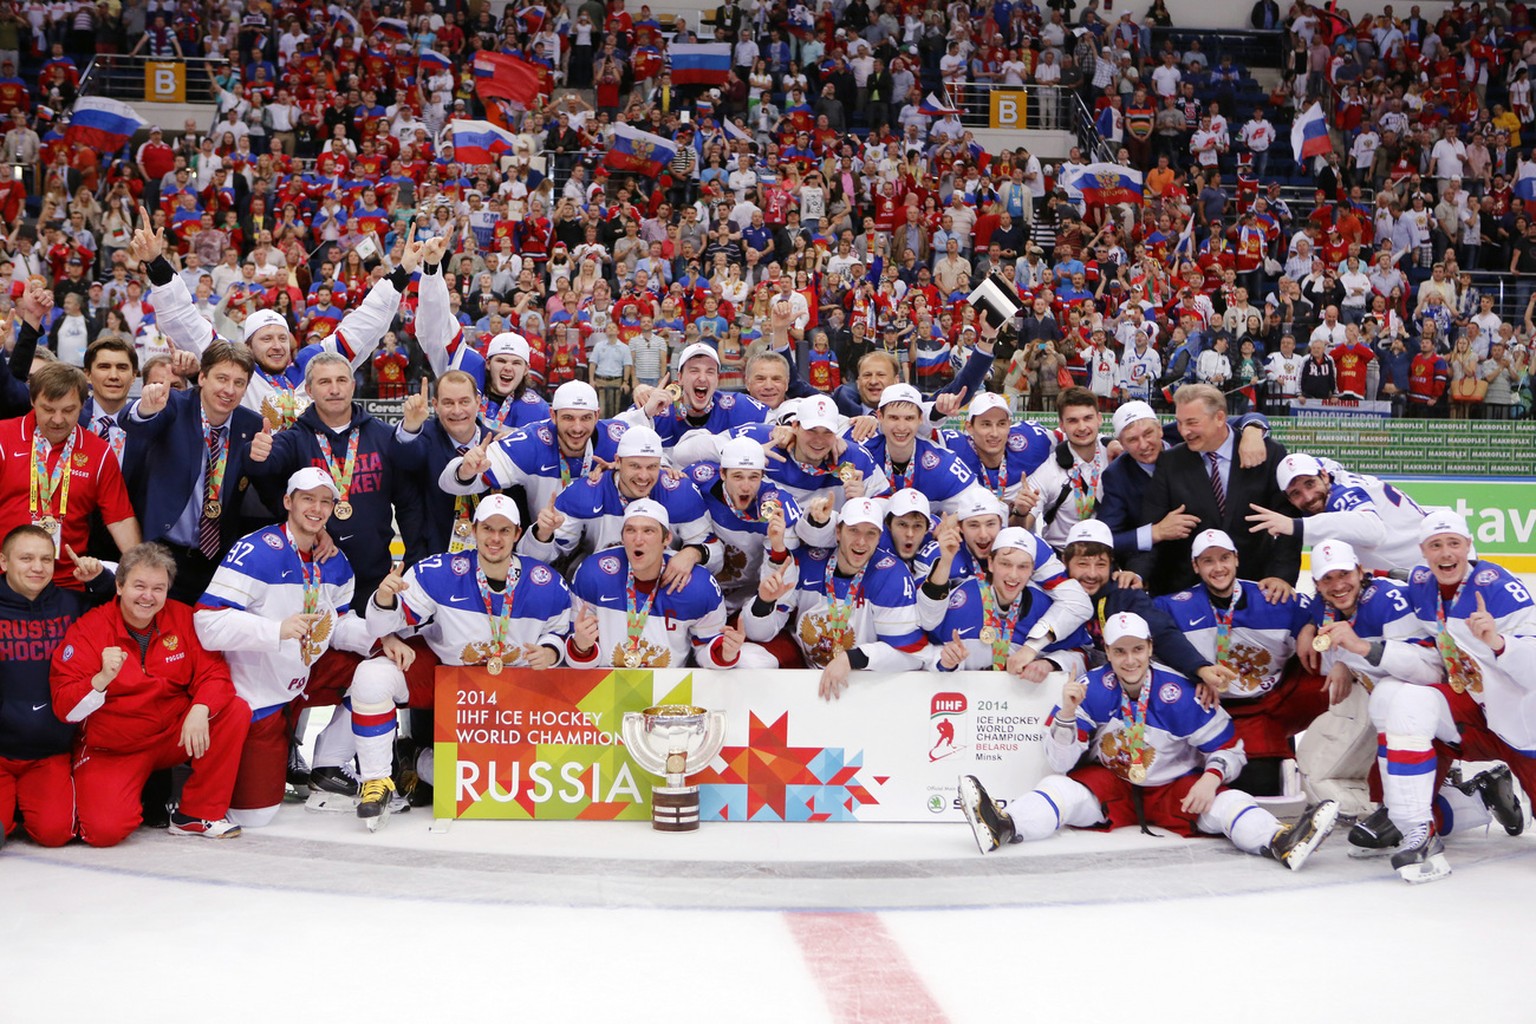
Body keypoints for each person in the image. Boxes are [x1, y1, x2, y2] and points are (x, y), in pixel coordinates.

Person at [957, 612, 1339, 871]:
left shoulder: (1179, 692)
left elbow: (1230, 749)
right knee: (1058, 788)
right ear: (1106, 652)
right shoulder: (1091, 688)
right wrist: (1069, 714)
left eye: (1137, 650)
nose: (1129, 660)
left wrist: (1211, 779)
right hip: (1116, 787)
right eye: (1119, 651)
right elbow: (1060, 763)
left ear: (1150, 648)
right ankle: (1003, 826)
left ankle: (1280, 841)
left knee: (1227, 803)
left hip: (1174, 790)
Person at [359, 494, 574, 819]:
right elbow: (382, 621)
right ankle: (376, 780)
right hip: (450, 681)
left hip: (511, 696)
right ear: (474, 530)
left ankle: (413, 757)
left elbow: (563, 630)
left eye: (504, 530)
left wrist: (549, 650)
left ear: (517, 534)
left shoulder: (545, 583)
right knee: (370, 677)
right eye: (488, 528)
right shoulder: (441, 571)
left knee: (501, 783)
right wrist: (385, 599)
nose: (495, 538)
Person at [193, 468, 374, 828]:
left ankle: (328, 762)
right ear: (288, 502)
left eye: (325, 501)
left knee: (379, 669)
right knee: (256, 816)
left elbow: (337, 624)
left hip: (303, 677)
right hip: (259, 694)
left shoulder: (334, 561)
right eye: (308, 499)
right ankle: (254, 754)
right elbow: (207, 624)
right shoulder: (258, 550)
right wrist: (277, 630)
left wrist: (382, 636)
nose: (317, 508)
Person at [1366, 512, 1536, 882]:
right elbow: (1374, 579)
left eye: (1454, 544)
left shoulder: (1500, 591)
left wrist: (1497, 642)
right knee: (1397, 698)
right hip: (1473, 711)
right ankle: (1414, 824)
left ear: (1468, 546)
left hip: (1525, 725)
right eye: (1436, 545)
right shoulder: (1423, 582)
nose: (1446, 554)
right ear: (1423, 552)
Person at [127, 213, 418, 430]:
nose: (277, 345)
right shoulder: (236, 371)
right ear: (248, 345)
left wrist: (402, 272)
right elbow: (184, 319)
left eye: (281, 337)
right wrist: (156, 264)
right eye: (266, 339)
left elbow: (365, 324)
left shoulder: (312, 367)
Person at [52, 543, 249, 845]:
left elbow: (215, 674)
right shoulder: (89, 630)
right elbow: (65, 707)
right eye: (139, 586)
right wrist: (100, 679)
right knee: (104, 832)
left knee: (233, 709)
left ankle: (196, 814)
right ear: (118, 586)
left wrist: (201, 709)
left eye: (158, 588)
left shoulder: (183, 618)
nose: (148, 596)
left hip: (173, 733)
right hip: (115, 747)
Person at [1155, 529, 1324, 795]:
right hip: (1211, 708)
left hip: (1265, 704)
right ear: (1195, 566)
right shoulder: (1175, 606)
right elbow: (1146, 631)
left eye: (1224, 558)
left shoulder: (1272, 598)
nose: (1218, 567)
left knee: (1332, 660)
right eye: (1208, 561)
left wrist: (1310, 625)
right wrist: (1191, 678)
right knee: (1241, 784)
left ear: (1237, 559)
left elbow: (1326, 600)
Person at [245, 351, 409, 602]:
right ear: (309, 391)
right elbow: (266, 475)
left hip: (374, 577)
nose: (334, 389)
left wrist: (414, 559)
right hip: (313, 575)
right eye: (324, 382)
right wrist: (256, 454)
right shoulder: (295, 438)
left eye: (341, 380)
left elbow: (408, 502)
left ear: (353, 385)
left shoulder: (384, 436)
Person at [120, 341, 264, 603]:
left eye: (239, 383)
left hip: (216, 558)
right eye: (222, 378)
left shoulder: (251, 425)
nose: (229, 390)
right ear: (202, 377)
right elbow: (132, 422)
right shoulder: (174, 404)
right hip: (163, 552)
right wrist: (145, 409)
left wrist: (266, 461)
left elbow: (266, 485)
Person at [743, 496, 925, 699]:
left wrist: (852, 659)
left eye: (870, 533)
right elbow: (759, 633)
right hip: (804, 665)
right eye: (853, 530)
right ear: (838, 532)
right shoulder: (809, 562)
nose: (861, 541)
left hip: (859, 680)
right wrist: (764, 602)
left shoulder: (892, 576)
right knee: (748, 658)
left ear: (879, 537)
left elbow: (912, 655)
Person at [0, 525, 113, 847]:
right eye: (27, 558)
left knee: (55, 834)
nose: (37, 567)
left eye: (46, 559)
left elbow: (118, 605)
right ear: (4, 562)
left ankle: (23, 809)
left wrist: (98, 577)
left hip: (48, 753)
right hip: (1, 752)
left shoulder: (70, 604)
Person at [1133, 383, 1298, 595]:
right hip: (1187, 592)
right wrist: (1137, 574)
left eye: (1192, 423)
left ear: (1220, 418)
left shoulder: (1268, 453)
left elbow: (1289, 521)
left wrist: (1281, 576)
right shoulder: (1170, 462)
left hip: (1257, 588)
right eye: (1180, 423)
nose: (1184, 431)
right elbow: (1152, 525)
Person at [0, 362, 140, 588]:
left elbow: (120, 518)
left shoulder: (98, 451)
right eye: (48, 409)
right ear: (32, 401)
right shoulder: (4, 437)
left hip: (68, 582)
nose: (57, 419)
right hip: (6, 577)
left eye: (68, 410)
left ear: (83, 406)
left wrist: (140, 572)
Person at [566, 499, 741, 670]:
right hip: (605, 688)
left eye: (648, 531)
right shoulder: (593, 574)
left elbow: (705, 650)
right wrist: (581, 648)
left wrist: (725, 654)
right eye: (630, 530)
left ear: (666, 539)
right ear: (622, 537)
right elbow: (579, 661)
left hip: (668, 691)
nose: (638, 539)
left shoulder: (699, 586)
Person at [522, 426, 717, 576]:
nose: (643, 476)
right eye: (634, 466)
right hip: (601, 584)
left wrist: (693, 553)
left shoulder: (680, 493)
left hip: (662, 585)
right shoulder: (584, 493)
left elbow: (715, 552)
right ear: (618, 461)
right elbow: (534, 560)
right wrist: (543, 535)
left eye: (651, 467)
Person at [923, 526, 1092, 677]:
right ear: (991, 563)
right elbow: (923, 654)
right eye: (1005, 564)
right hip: (967, 706)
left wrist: (1050, 664)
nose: (1013, 575)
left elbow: (1083, 658)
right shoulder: (960, 600)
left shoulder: (1044, 606)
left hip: (1022, 708)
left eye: (1023, 567)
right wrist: (945, 663)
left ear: (1033, 569)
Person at [1245, 453, 1429, 573]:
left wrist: (1295, 526)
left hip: (1429, 565)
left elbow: (1373, 530)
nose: (1308, 497)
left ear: (1324, 476)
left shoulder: (1343, 494)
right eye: (1296, 493)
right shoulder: (1328, 476)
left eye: (1310, 484)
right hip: (1409, 568)